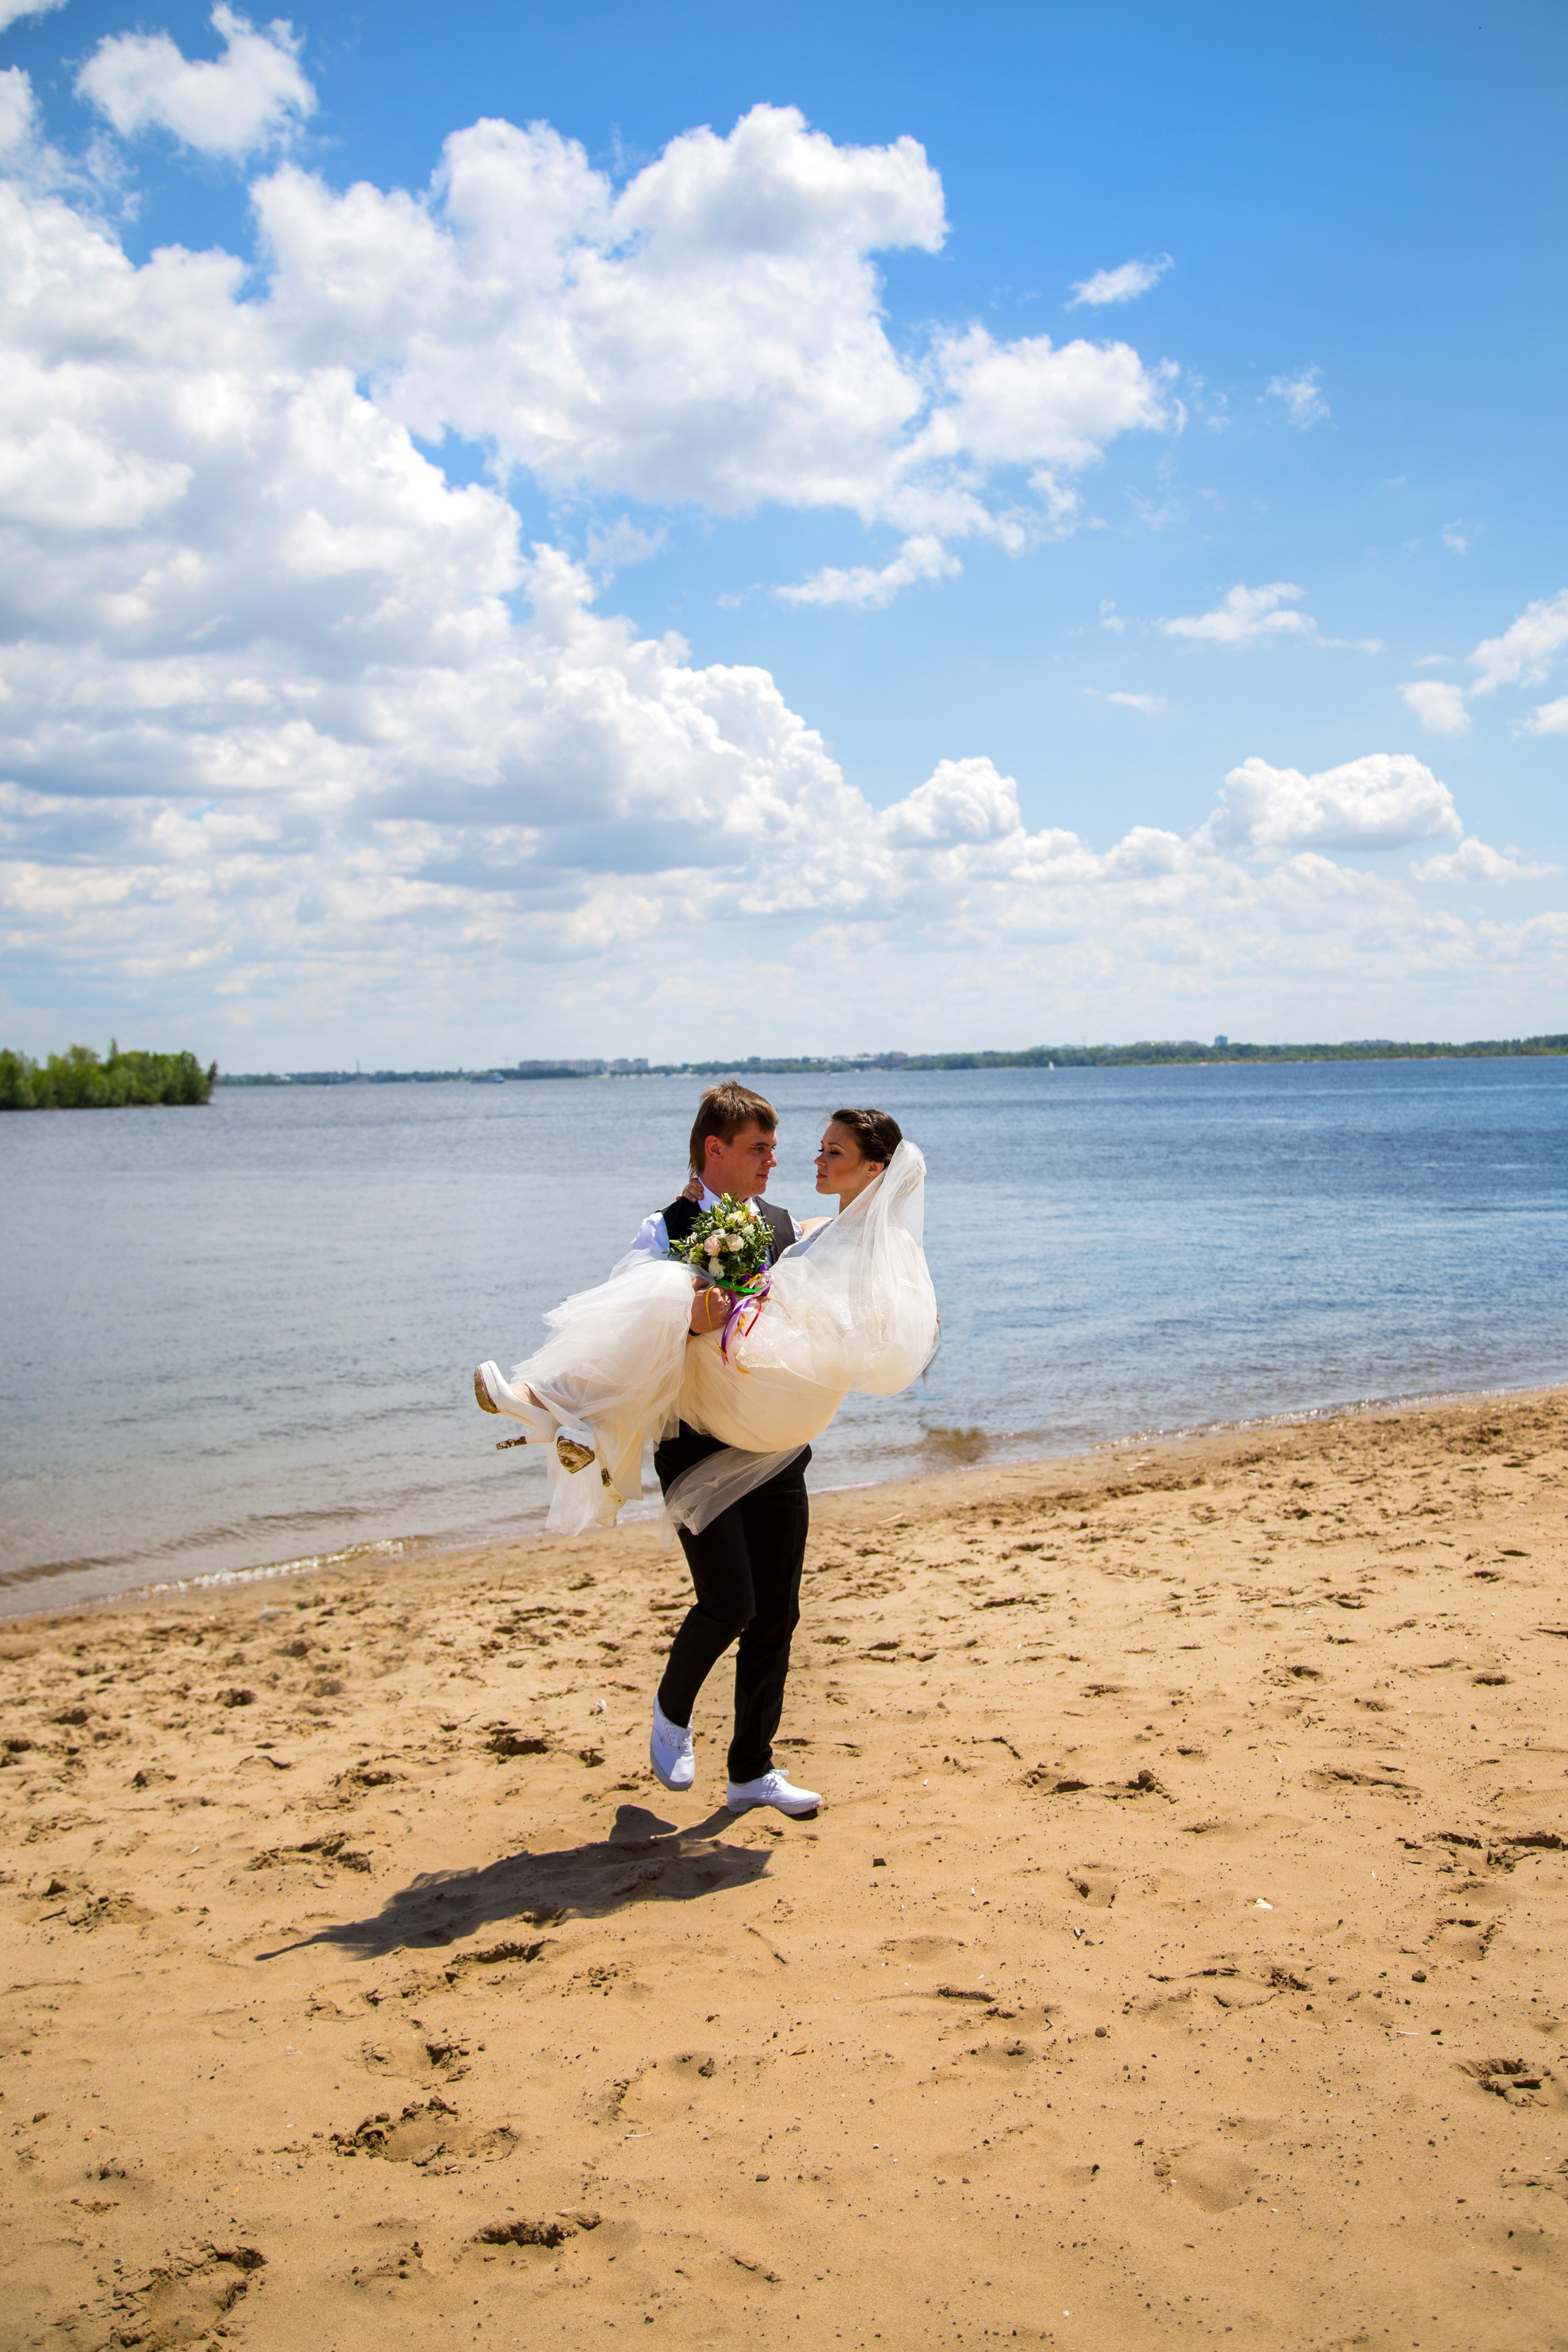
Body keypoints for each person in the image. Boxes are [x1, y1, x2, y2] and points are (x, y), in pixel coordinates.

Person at [472, 1087, 935, 1819]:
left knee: (777, 1615)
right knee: (729, 1603)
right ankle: (671, 1712)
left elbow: (838, 1258)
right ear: (714, 1150)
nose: (775, 1161)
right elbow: (623, 1316)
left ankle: (752, 1771)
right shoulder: (666, 1226)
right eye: (759, 1148)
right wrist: (688, 1321)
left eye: (777, 1148)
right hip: (695, 1444)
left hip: (775, 1446)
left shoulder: (786, 1227)